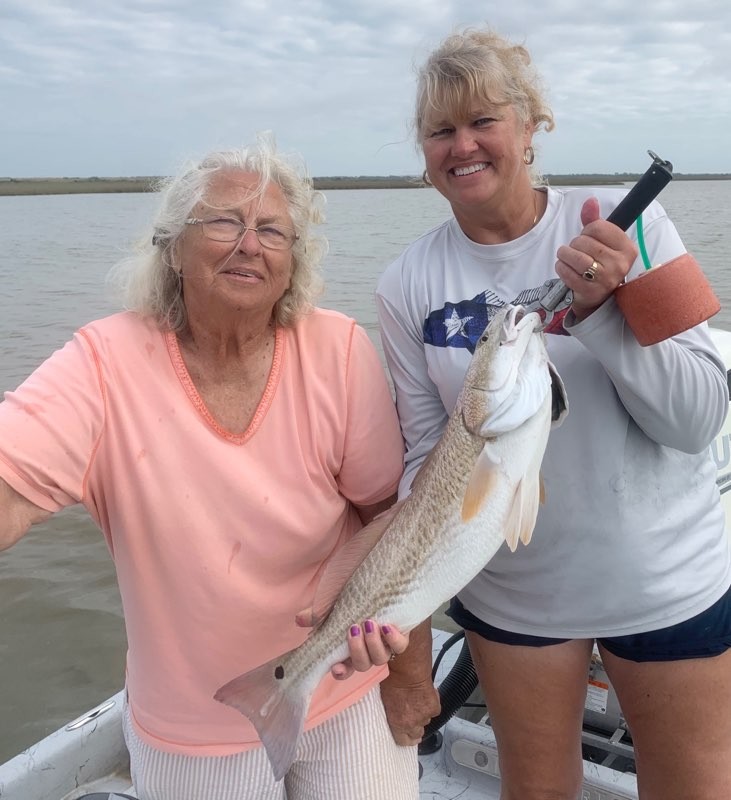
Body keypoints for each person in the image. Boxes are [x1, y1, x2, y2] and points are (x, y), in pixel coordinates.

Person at [0, 139, 425, 800]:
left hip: (342, 686)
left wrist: (408, 674)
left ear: (293, 263)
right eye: (224, 221)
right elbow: (12, 486)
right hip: (195, 723)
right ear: (172, 247)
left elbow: (392, 524)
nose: (249, 244)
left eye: (272, 230)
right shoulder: (102, 363)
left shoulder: (338, 348)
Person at [373, 26, 731, 800]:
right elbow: (422, 458)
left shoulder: (631, 227)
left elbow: (698, 418)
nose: (461, 145)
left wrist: (606, 313)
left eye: (483, 120)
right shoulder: (406, 283)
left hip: (662, 578)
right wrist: (392, 601)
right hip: (513, 593)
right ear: (424, 150)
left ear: (531, 127)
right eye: (440, 130)